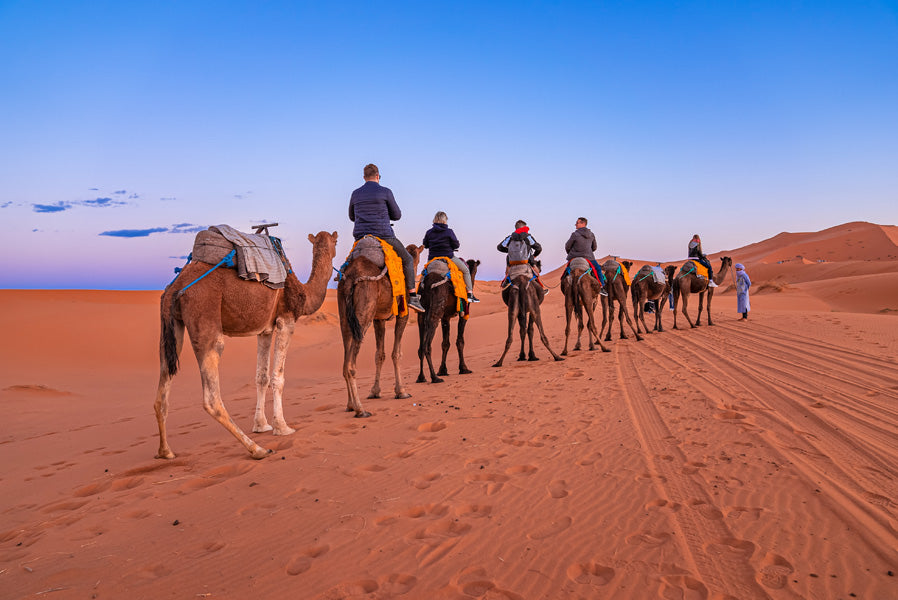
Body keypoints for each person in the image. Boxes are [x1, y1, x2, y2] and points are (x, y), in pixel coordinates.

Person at [349, 164, 424, 312]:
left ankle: (342, 278)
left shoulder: (355, 194)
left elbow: (352, 217)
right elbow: (397, 215)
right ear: (378, 176)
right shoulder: (385, 192)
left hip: (360, 237)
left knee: (349, 262)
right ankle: (413, 297)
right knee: (408, 259)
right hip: (384, 235)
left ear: (364, 178)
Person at [422, 211, 479, 303]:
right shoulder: (449, 232)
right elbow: (456, 245)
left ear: (435, 219)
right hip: (448, 258)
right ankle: (470, 294)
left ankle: (417, 295)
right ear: (445, 220)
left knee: (424, 275)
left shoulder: (429, 232)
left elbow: (425, 244)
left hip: (432, 259)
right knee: (465, 270)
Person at [498, 219, 547, 292]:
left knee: (507, 274)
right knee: (536, 273)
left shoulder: (510, 237)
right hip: (527, 262)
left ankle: (506, 282)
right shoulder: (528, 237)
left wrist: (510, 252)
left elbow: (499, 247)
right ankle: (540, 290)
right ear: (524, 228)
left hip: (511, 263)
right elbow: (538, 248)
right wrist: (534, 256)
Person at [564, 216, 608, 296]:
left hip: (574, 257)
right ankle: (601, 287)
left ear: (583, 224)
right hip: (589, 258)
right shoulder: (591, 235)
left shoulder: (574, 234)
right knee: (597, 269)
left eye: (577, 223)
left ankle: (565, 288)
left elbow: (567, 246)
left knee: (567, 271)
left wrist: (570, 254)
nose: (575, 225)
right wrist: (588, 252)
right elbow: (594, 247)